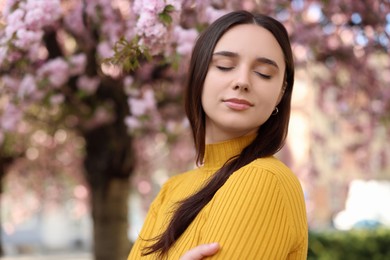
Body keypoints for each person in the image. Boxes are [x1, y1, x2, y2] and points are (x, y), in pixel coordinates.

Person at [128, 10, 308, 259]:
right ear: (199, 77)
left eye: (264, 73)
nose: (242, 81)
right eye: (225, 66)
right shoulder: (172, 190)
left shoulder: (264, 179)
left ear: (280, 92)